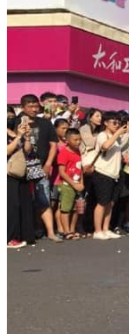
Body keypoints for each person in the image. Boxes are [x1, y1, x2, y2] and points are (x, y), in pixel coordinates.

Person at [16, 94, 62, 242]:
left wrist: (48, 164)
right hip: (20, 167)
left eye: (36, 106)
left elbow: (53, 145)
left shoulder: (45, 123)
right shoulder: (15, 121)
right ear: (22, 107)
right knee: (22, 200)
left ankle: (50, 232)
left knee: (43, 199)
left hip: (40, 166)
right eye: (30, 106)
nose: (34, 109)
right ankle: (25, 232)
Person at [92, 111, 129, 240]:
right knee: (102, 202)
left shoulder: (117, 137)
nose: (117, 124)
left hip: (115, 173)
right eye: (114, 122)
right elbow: (105, 147)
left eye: (119, 122)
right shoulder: (102, 135)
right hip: (103, 172)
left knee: (110, 203)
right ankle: (97, 231)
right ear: (105, 123)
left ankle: (105, 228)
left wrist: (125, 133)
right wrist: (118, 133)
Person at [8, 114, 35, 248]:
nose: (10, 119)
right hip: (8, 173)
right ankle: (10, 238)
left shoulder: (16, 132)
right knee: (12, 206)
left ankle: (25, 235)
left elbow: (27, 150)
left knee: (24, 204)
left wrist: (27, 137)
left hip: (22, 172)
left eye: (12, 117)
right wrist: (18, 136)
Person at [56, 128, 84, 239]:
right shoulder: (64, 152)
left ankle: (72, 229)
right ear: (67, 140)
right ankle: (67, 231)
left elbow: (80, 169)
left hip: (77, 184)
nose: (78, 142)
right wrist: (73, 184)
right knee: (66, 209)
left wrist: (81, 183)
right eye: (75, 140)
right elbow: (61, 172)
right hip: (67, 185)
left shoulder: (78, 152)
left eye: (79, 139)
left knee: (76, 208)